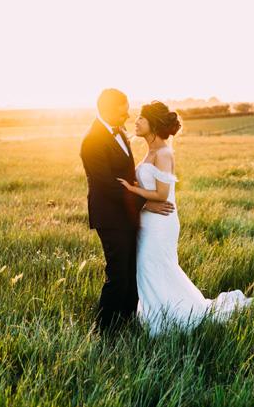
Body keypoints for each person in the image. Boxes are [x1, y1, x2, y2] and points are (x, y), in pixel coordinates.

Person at [118, 100, 253, 336]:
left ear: (154, 123)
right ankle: (157, 317)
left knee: (154, 266)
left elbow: (161, 194)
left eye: (142, 118)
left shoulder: (164, 153)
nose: (136, 121)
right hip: (148, 220)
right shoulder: (150, 151)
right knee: (147, 268)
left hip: (161, 222)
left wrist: (132, 190)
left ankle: (178, 318)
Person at [80, 89, 175, 335]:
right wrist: (146, 204)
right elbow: (108, 185)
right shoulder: (92, 140)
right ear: (109, 109)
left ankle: (128, 320)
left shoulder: (120, 131)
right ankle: (104, 331)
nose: (128, 113)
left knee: (133, 270)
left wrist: (142, 204)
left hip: (128, 215)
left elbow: (129, 178)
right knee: (118, 273)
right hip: (111, 218)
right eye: (123, 108)